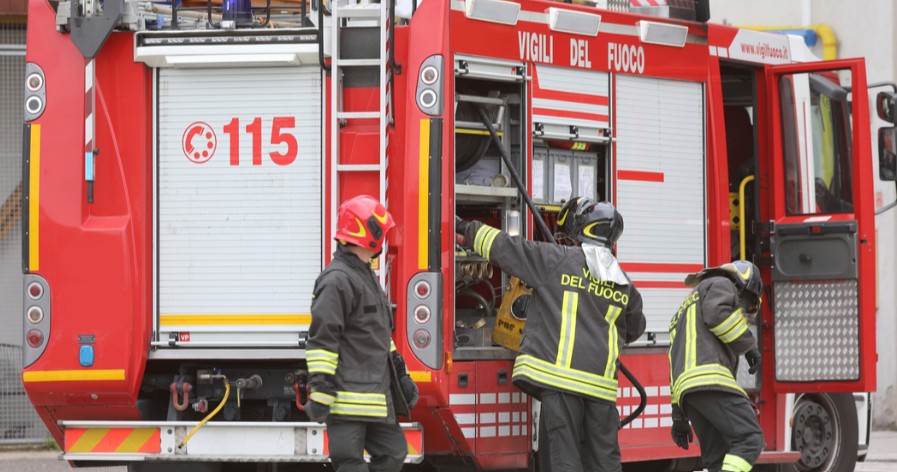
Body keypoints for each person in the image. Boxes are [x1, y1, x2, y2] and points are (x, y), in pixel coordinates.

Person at [456, 197, 646, 472]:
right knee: (606, 463)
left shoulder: (557, 260)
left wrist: (466, 228)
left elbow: (506, 248)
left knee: (564, 461)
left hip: (561, 383)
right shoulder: (624, 283)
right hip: (602, 391)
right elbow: (634, 328)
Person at [304, 194, 419, 472]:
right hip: (346, 399)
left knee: (394, 452)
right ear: (368, 233)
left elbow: (379, 335)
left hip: (374, 396)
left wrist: (400, 372)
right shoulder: (337, 281)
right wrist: (320, 388)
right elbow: (322, 340)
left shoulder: (365, 276)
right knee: (350, 464)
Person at [668, 260, 765, 472]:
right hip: (709, 379)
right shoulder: (721, 283)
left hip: (689, 394)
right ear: (743, 286)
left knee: (717, 458)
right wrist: (748, 346)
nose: (743, 316)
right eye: (747, 305)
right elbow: (716, 315)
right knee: (750, 438)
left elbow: (673, 361)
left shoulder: (684, 310)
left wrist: (679, 416)